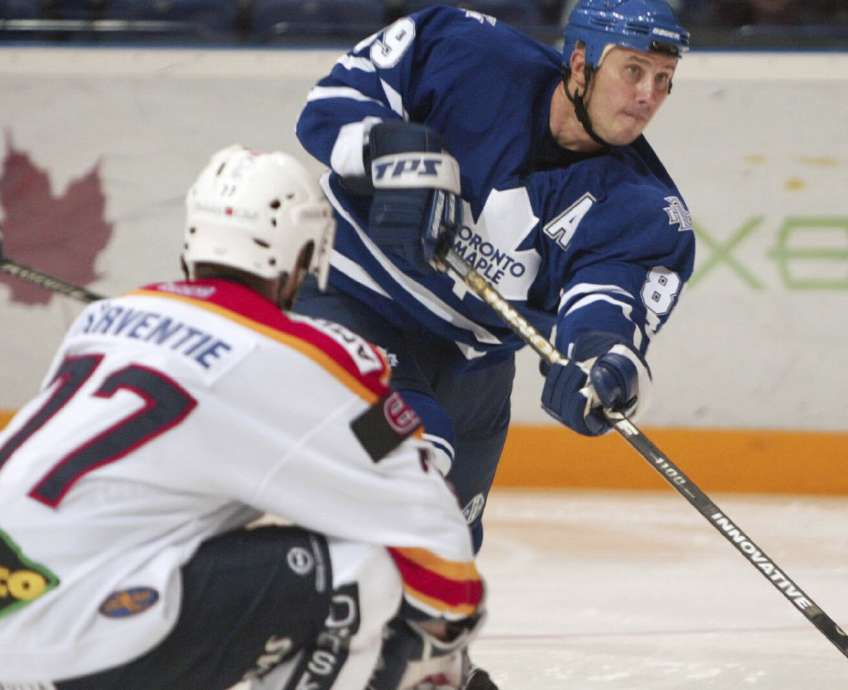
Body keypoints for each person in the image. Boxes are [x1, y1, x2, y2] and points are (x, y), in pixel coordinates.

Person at [0, 145, 485, 690]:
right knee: (369, 571)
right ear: (304, 255)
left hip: (13, 615)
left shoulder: (102, 321)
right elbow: (427, 524)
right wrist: (442, 641)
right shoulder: (306, 356)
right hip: (67, 640)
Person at [293, 0, 695, 557]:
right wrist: (392, 155)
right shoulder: (462, 50)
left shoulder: (644, 210)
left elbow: (604, 309)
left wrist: (603, 363)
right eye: (633, 70)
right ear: (581, 62)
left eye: (664, 79)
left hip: (475, 369)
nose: (648, 95)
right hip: (349, 304)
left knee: (447, 551)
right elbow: (327, 108)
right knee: (412, 454)